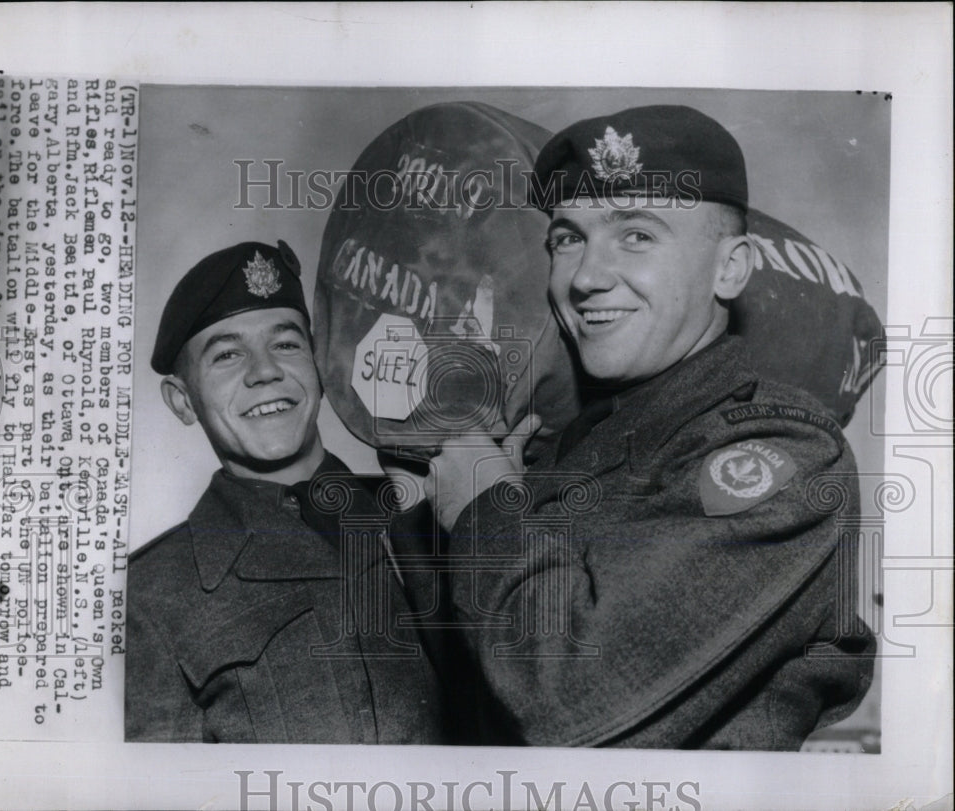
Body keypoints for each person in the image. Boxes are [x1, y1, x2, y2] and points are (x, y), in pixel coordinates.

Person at [426, 105, 876, 749]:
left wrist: (488, 508)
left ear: (730, 268)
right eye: (567, 239)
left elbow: (573, 704)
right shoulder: (564, 452)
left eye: (636, 235)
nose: (584, 277)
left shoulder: (782, 451)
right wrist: (429, 506)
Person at [125, 241, 445, 743]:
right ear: (182, 401)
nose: (265, 370)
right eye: (227, 354)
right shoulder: (148, 597)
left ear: (320, 364)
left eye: (287, 344)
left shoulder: (430, 509)